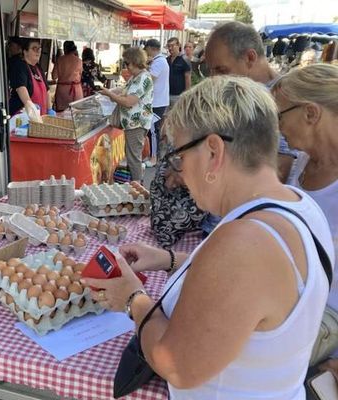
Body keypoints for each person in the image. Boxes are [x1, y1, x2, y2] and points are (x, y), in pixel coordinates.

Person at [84, 75, 334, 399]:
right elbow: (259, 288)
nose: (181, 171)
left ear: (214, 151)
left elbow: (177, 365)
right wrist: (168, 259)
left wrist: (133, 299)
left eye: (180, 156)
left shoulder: (246, 244)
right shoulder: (298, 206)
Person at [203, 20, 300, 237]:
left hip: (241, 228)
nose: (214, 78)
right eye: (210, 70)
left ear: (250, 57)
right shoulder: (237, 91)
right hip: (220, 223)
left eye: (221, 69)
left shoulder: (282, 99)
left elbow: (279, 171)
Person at [271, 64, 338, 370]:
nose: (278, 127)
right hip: (288, 308)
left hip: (324, 327)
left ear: (311, 113)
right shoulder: (301, 164)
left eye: (280, 115)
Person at [100, 47, 153, 182]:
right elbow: (124, 92)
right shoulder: (137, 77)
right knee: (132, 156)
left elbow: (129, 102)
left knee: (133, 158)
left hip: (136, 124)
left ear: (135, 62)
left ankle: (137, 189)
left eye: (127, 63)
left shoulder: (142, 79)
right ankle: (135, 186)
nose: (126, 67)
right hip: (133, 124)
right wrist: (111, 92)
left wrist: (109, 94)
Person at [8, 38, 50, 119]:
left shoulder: (38, 68)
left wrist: (50, 109)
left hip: (40, 117)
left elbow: (47, 91)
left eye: (39, 49)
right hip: (24, 117)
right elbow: (21, 88)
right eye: (34, 49)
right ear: (25, 51)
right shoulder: (20, 66)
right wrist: (32, 110)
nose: (38, 51)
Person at [144, 38, 169, 163]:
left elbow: (150, 79)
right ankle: (152, 155)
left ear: (153, 49)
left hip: (157, 101)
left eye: (147, 50)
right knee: (152, 131)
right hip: (158, 100)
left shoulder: (159, 62)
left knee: (152, 131)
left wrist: (143, 68)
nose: (146, 53)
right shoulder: (159, 60)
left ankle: (153, 158)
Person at [53, 40, 83, 111]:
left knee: (61, 115)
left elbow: (54, 76)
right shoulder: (79, 61)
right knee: (76, 114)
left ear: (65, 48)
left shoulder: (59, 60)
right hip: (76, 90)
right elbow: (80, 76)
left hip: (62, 91)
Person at [166, 37, 191, 107]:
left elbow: (188, 77)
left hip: (178, 95)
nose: (170, 48)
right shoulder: (166, 60)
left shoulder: (184, 59)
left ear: (178, 45)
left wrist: (186, 94)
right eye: (169, 46)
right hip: (166, 93)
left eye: (172, 45)